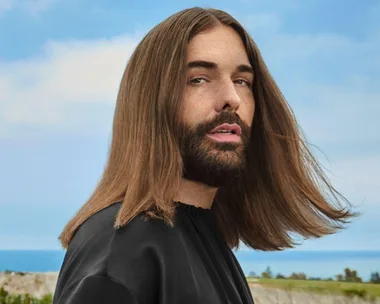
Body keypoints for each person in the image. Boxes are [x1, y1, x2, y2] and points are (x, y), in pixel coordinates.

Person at [52, 7, 355, 304]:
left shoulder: (206, 235)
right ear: (152, 102)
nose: (231, 98)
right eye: (199, 79)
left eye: (242, 81)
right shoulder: (119, 251)